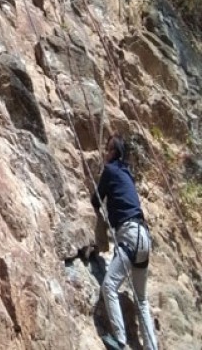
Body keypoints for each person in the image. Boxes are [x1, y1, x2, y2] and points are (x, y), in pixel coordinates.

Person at [92, 135, 158, 350]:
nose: (105, 153)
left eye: (109, 149)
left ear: (115, 153)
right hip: (144, 238)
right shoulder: (127, 174)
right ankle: (151, 347)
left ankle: (120, 341)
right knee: (142, 300)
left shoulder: (110, 170)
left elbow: (95, 200)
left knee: (109, 285)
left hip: (129, 234)